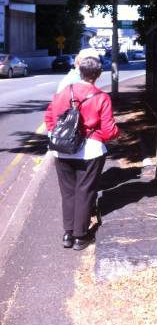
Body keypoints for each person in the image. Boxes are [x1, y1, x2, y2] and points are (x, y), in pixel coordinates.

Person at [45, 56, 120, 250]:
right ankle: (81, 236)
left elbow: (49, 118)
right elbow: (110, 131)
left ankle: (68, 234)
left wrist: (60, 135)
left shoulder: (63, 93)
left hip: (62, 150)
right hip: (90, 151)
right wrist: (113, 134)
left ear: (80, 72)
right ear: (98, 75)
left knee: (68, 192)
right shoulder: (101, 97)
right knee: (85, 192)